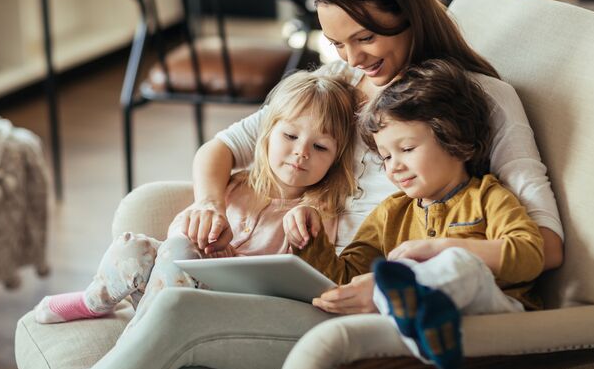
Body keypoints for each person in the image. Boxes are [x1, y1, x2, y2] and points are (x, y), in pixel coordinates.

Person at [56, 0, 564, 369]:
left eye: (364, 37)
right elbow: (223, 148)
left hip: (376, 308)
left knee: (177, 310)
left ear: (408, 11)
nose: (353, 58)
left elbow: (547, 245)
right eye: (337, 43)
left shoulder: (484, 100)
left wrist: (401, 280)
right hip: (309, 283)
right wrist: (209, 203)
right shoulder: (337, 83)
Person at [34, 71, 358, 333]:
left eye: (320, 147)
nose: (302, 152)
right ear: (267, 135)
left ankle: (139, 341)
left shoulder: (315, 215)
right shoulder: (235, 184)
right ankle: (94, 302)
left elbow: (287, 282)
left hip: (225, 308)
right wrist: (201, 233)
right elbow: (181, 231)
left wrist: (224, 257)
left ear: (335, 159)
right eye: (290, 136)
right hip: (173, 285)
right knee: (135, 247)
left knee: (178, 253)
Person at [292, 59, 544, 369]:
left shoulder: (488, 197)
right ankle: (424, 328)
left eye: (407, 149)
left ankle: (421, 311)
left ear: (454, 140)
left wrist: (443, 248)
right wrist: (311, 238)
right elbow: (346, 278)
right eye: (385, 156)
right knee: (384, 278)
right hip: (421, 336)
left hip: (495, 316)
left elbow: (532, 254)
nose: (393, 166)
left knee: (458, 263)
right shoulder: (390, 213)